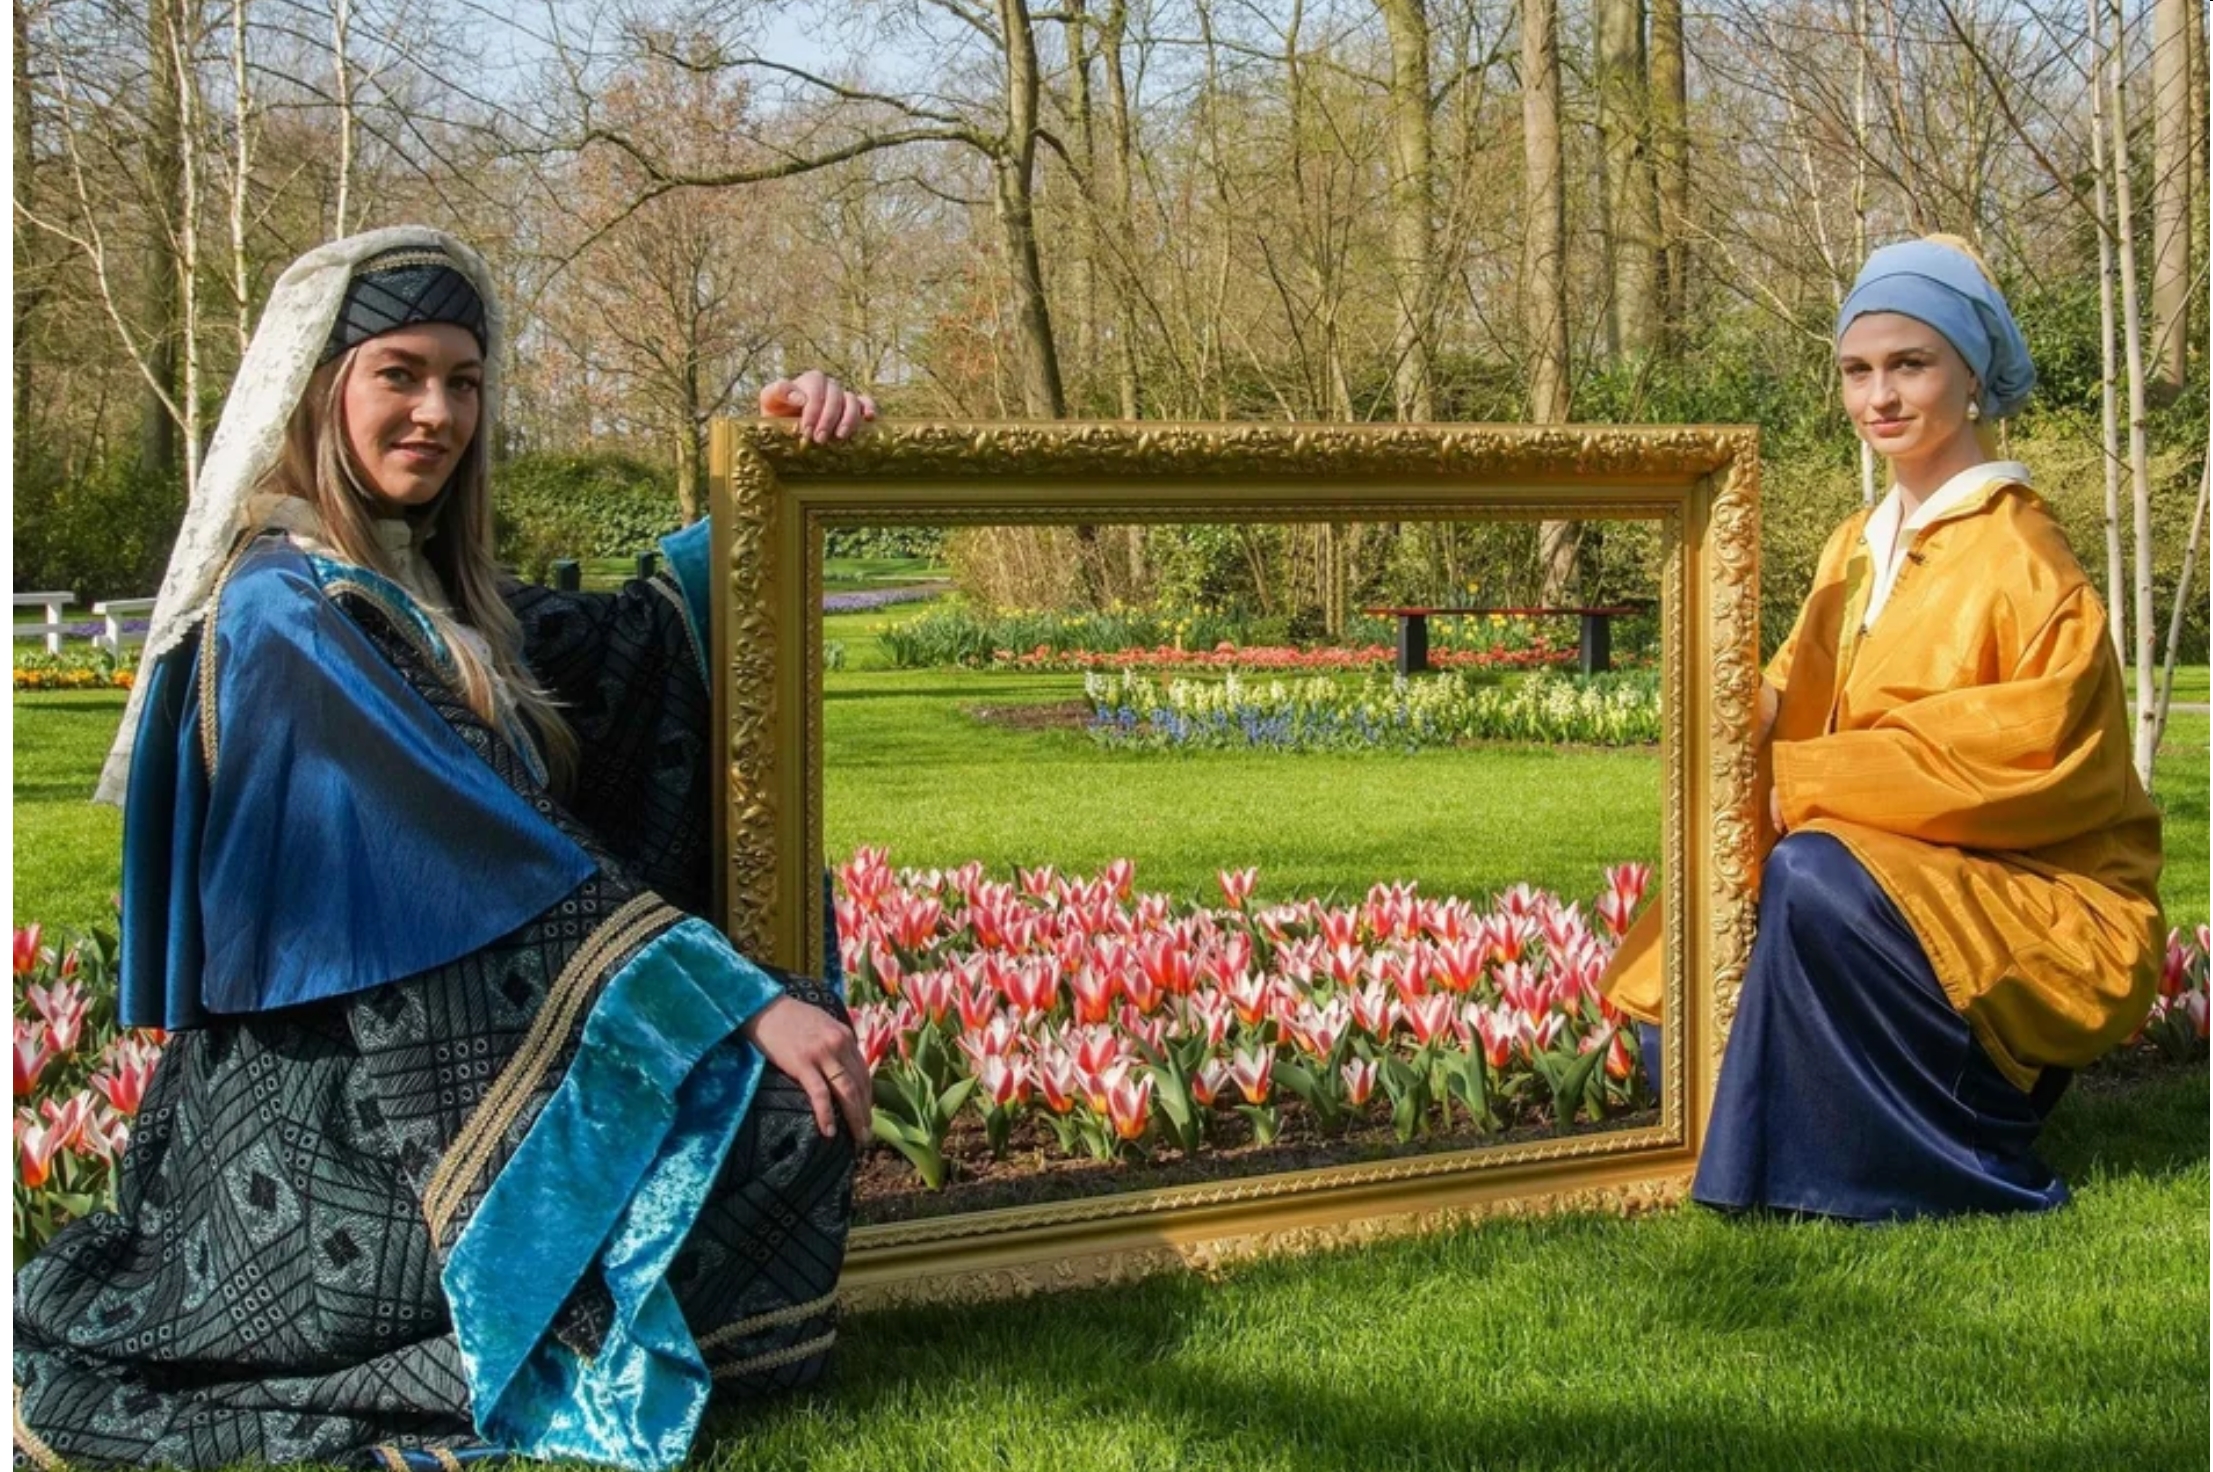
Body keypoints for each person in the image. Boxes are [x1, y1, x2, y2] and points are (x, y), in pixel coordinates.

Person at [15, 227, 878, 1471]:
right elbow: (481, 845)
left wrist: (776, 472)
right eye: (400, 375)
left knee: (781, 1101)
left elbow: (639, 643)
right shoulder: (285, 608)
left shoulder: (430, 588)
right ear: (323, 387)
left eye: (463, 381)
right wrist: (729, 1001)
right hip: (339, 1117)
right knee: (778, 1092)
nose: (437, 413)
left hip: (449, 1058)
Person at [1606, 234, 2164, 1220]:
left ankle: (1923, 1156)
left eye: (1910, 363)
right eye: (1857, 371)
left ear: (1972, 374)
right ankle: (1789, 1129)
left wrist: (1805, 781)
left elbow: (2024, 758)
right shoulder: (1851, 548)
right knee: (1676, 1035)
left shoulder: (2027, 560)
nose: (1880, 397)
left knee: (1811, 870)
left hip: (2027, 910)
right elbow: (1790, 686)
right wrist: (1725, 689)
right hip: (1883, 885)